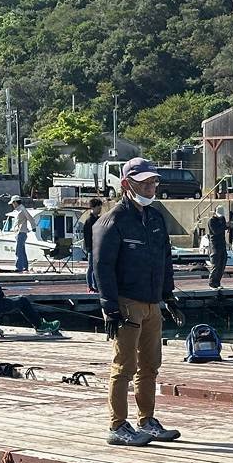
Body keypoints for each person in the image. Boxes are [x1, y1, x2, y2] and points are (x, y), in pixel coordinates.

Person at [93, 157, 180, 447]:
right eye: (145, 182)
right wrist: (110, 307)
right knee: (124, 366)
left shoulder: (155, 218)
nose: (151, 187)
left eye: (153, 181)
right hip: (127, 303)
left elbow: (165, 259)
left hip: (153, 303)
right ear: (127, 184)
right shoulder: (112, 220)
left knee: (150, 365)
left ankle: (148, 420)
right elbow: (101, 267)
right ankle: (117, 425)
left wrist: (168, 295)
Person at [8, 195, 36, 272]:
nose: (12, 205)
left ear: (16, 202)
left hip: (21, 232)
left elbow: (30, 218)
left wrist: (33, 227)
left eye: (13, 203)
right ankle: (25, 266)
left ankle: (18, 267)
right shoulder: (18, 210)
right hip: (18, 232)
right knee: (22, 250)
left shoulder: (22, 209)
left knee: (18, 250)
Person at [82, 197, 103, 293]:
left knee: (97, 268)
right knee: (90, 267)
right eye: (98, 207)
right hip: (91, 247)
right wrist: (88, 248)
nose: (100, 209)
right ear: (93, 208)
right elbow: (86, 236)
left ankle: (96, 286)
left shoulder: (99, 219)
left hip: (98, 247)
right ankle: (89, 286)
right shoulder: (88, 221)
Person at [207, 205, 229, 289]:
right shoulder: (211, 221)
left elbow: (223, 228)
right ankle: (212, 283)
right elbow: (216, 231)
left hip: (222, 244)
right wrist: (225, 226)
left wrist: (229, 226)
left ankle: (217, 282)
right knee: (215, 264)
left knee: (222, 263)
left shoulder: (222, 219)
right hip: (214, 245)